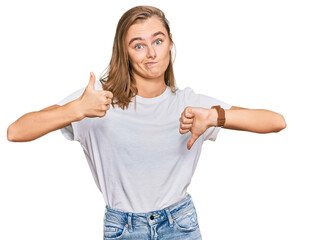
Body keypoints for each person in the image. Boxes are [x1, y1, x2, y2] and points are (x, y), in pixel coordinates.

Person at [7, 5, 286, 240]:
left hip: (180, 224)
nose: (150, 54)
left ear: (170, 42)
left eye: (158, 41)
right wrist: (76, 109)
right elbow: (16, 131)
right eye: (138, 45)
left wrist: (215, 116)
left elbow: (276, 121)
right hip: (123, 227)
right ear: (125, 52)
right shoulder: (97, 102)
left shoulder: (188, 103)